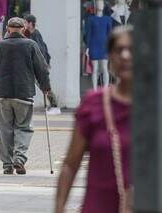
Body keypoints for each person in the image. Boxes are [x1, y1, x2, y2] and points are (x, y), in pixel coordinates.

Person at [55, 25, 133, 213]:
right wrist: (59, 208)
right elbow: (70, 165)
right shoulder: (93, 103)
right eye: (118, 50)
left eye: (132, 49)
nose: (125, 55)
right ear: (110, 59)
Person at [0, 17, 50, 175]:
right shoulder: (31, 45)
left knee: (5, 130)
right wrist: (46, 87)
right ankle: (19, 159)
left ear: (7, 29)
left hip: (2, 94)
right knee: (24, 127)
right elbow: (42, 69)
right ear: (23, 29)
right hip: (24, 93)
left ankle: (7, 165)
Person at [24, 14, 61, 115]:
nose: (24, 24)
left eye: (26, 22)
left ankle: (55, 106)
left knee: (43, 85)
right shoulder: (32, 34)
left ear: (30, 24)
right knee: (41, 85)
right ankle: (52, 106)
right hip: (38, 64)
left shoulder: (35, 34)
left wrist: (44, 63)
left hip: (39, 65)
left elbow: (41, 49)